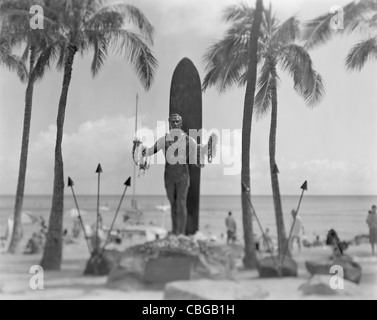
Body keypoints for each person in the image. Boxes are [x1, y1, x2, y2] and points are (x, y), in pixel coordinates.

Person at [143, 114, 200, 235]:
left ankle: (180, 232)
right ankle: (175, 231)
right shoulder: (163, 140)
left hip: (183, 176)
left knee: (181, 203)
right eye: (173, 121)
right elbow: (149, 151)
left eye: (177, 122)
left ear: (181, 123)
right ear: (169, 122)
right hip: (169, 176)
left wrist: (206, 152)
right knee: (173, 204)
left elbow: (198, 155)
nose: (175, 124)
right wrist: (139, 150)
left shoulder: (189, 140)